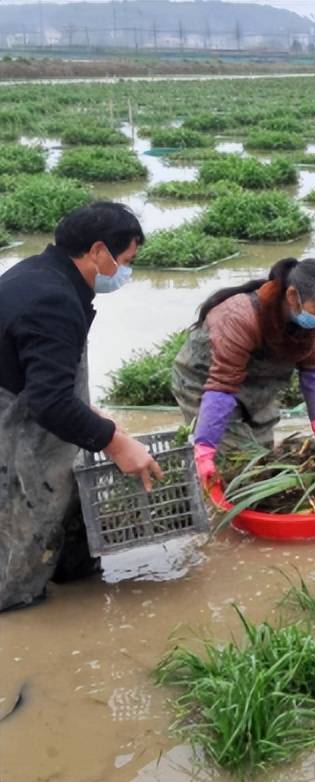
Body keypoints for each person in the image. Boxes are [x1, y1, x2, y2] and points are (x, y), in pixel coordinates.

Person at [0, 202, 162, 612]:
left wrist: (92, 416)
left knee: (66, 514)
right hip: (16, 430)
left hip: (25, 405)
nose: (126, 272)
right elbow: (48, 400)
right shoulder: (53, 301)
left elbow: (45, 378)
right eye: (126, 261)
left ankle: (72, 574)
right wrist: (114, 442)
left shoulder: (37, 272)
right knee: (19, 545)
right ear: (97, 251)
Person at [171, 258, 315, 486]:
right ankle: (212, 498)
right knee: (242, 468)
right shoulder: (240, 317)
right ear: (292, 296)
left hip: (257, 386)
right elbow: (221, 387)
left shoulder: (308, 324)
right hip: (205, 382)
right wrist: (205, 449)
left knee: (264, 460)